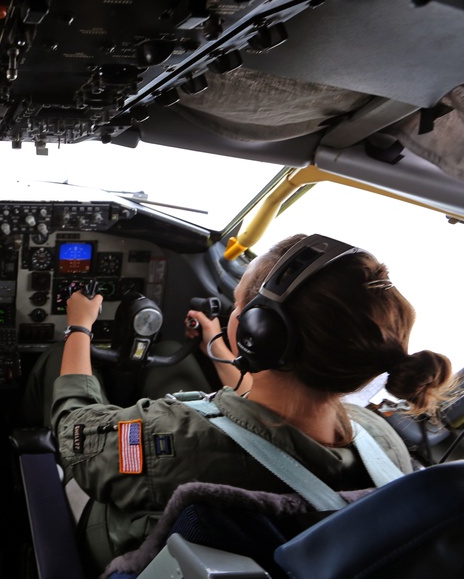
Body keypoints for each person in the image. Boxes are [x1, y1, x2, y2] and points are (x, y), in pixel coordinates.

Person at [24, 233, 455, 574]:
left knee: (52, 378)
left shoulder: (172, 439)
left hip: (133, 552)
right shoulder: (383, 442)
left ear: (257, 332)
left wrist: (78, 328)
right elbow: (257, 416)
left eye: (240, 305)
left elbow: (76, 428)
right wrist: (216, 340)